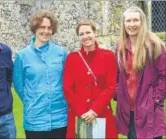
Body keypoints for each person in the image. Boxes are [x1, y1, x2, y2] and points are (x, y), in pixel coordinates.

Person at [13, 9, 68, 139]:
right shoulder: (22, 56)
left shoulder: (61, 53)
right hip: (35, 119)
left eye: (49, 28)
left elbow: (67, 81)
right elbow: (19, 86)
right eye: (42, 27)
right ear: (35, 28)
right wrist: (32, 101)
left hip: (59, 118)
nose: (46, 31)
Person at [114, 6, 166, 139]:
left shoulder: (154, 45)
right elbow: (118, 74)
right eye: (128, 21)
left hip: (150, 109)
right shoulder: (120, 46)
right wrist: (118, 93)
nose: (132, 24)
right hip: (128, 110)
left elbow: (164, 76)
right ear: (123, 24)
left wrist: (154, 99)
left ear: (142, 22)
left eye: (135, 20)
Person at [63, 19, 118, 138]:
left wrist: (94, 110)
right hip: (79, 115)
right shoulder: (72, 59)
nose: (85, 36)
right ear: (78, 37)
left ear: (94, 33)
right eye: (81, 34)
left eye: (88, 32)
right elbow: (67, 88)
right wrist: (81, 111)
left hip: (102, 113)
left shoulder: (108, 56)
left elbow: (111, 86)